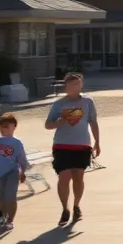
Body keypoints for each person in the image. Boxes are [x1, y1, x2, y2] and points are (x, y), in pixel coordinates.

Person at [45, 73, 101, 226]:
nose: (75, 87)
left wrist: (97, 142)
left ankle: (76, 205)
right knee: (64, 176)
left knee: (78, 177)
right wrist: (60, 122)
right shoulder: (58, 104)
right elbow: (48, 124)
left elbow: (93, 122)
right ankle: (65, 209)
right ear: (66, 86)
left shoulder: (88, 102)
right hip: (62, 145)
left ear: (81, 85)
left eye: (77, 84)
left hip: (82, 145)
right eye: (71, 84)